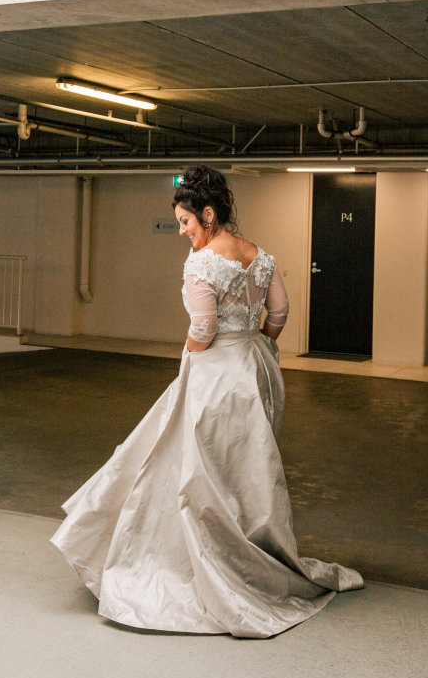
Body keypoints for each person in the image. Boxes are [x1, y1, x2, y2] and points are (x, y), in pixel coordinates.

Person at [50, 165, 363, 637]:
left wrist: (193, 354)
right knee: (245, 468)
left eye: (186, 221)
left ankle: (210, 561)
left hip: (216, 375)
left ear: (208, 214)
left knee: (199, 469)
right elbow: (280, 311)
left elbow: (203, 327)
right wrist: (259, 342)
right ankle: (251, 552)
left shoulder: (201, 263)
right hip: (257, 370)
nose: (182, 231)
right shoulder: (261, 257)